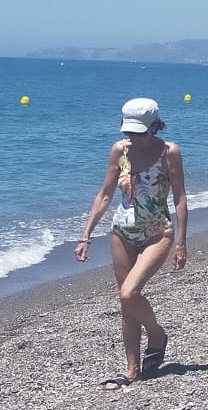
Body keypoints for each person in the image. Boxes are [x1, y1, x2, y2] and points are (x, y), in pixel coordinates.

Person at [77, 98, 188, 387]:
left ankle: (156, 334)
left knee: (129, 293)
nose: (133, 137)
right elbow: (105, 195)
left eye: (139, 131)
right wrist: (86, 235)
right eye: (129, 131)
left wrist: (182, 241)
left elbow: (179, 197)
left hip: (158, 232)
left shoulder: (169, 153)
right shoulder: (119, 150)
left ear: (154, 126)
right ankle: (132, 370)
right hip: (122, 232)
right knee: (128, 303)